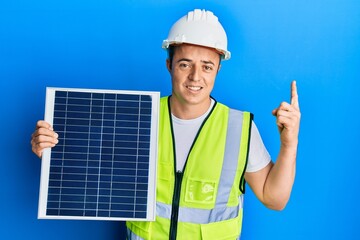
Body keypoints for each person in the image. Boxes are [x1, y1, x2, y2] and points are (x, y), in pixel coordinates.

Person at [31, 9, 300, 240]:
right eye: (185, 64)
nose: (196, 76)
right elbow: (89, 170)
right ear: (169, 65)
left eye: (207, 66)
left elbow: (273, 198)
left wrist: (289, 144)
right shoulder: (135, 116)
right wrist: (53, 153)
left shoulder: (238, 128)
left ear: (218, 69)